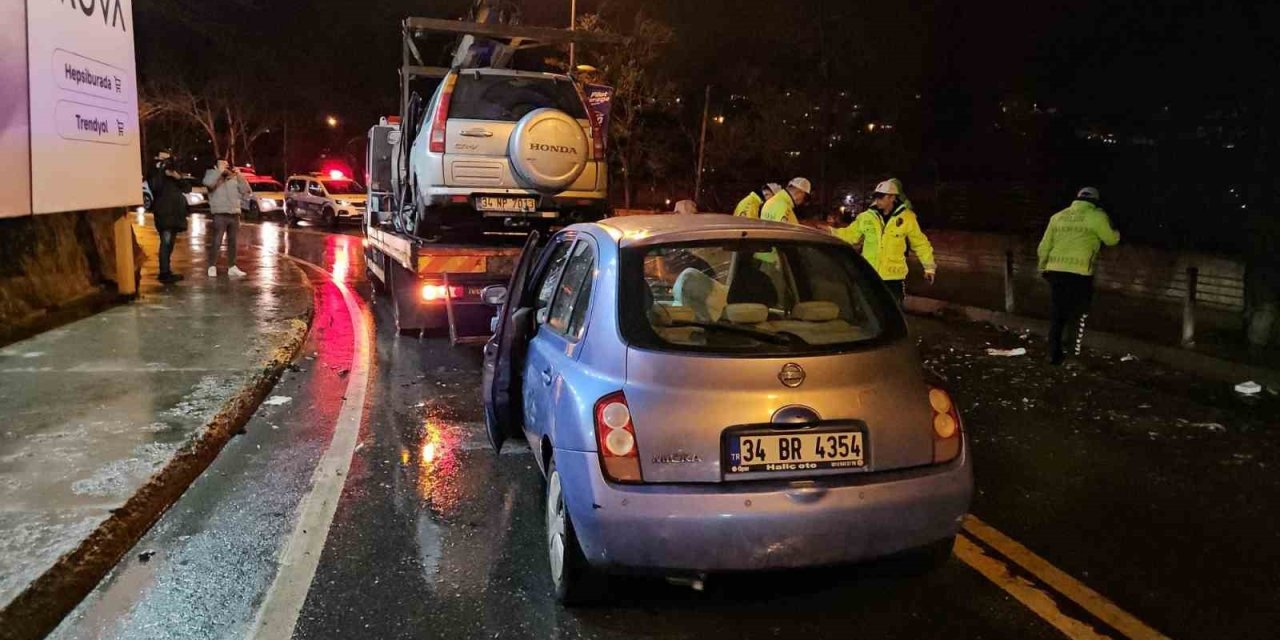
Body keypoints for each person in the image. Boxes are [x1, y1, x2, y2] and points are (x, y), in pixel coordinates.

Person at [1037, 186, 1121, 365]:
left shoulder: (1058, 216)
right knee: (1078, 314)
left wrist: (1042, 267)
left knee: (1058, 314)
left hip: (1055, 271)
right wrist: (1117, 233)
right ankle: (1072, 355)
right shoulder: (1097, 216)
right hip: (1080, 274)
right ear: (1096, 201)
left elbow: (1044, 246)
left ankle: (1053, 354)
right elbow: (1110, 240)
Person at [835, 179, 936, 305]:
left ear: (892, 197)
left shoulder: (907, 218)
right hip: (870, 275)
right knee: (869, 313)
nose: (878, 201)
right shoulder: (866, 217)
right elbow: (849, 235)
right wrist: (829, 232)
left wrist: (929, 268)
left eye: (881, 197)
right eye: (876, 197)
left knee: (892, 314)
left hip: (893, 279)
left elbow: (920, 243)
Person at [202, 159, 251, 277]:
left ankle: (232, 266)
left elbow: (246, 190)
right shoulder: (211, 174)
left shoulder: (233, 177)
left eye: (226, 164)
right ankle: (212, 266)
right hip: (220, 212)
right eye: (222, 163)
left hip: (234, 212)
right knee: (217, 240)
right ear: (216, 165)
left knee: (233, 241)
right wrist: (219, 171)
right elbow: (208, 183)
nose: (226, 165)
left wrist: (239, 175)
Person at [147, 151, 190, 283]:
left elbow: (187, 188)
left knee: (170, 244)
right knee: (165, 243)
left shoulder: (174, 174)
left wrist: (178, 177)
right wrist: (161, 171)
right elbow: (155, 187)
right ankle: (164, 273)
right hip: (164, 215)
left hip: (175, 215)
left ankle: (167, 270)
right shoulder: (155, 174)